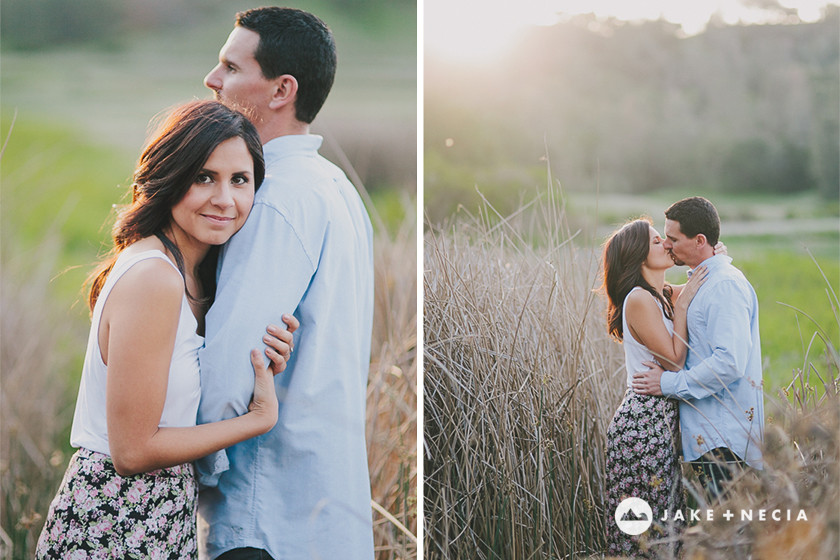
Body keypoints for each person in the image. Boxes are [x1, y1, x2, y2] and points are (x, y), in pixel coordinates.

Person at [35, 100, 298, 559]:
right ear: (170, 176)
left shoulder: (201, 275)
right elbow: (132, 452)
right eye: (204, 177)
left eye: (240, 180)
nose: (225, 199)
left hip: (162, 516)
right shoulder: (155, 277)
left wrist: (260, 361)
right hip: (112, 519)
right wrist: (254, 420)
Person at [196, 7, 375, 560]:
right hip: (326, 512)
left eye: (230, 65)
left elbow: (235, 361)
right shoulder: (334, 187)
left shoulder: (273, 200)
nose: (212, 79)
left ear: (281, 90)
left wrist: (193, 469)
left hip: (265, 516)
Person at [633, 197, 764, 501]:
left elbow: (729, 363)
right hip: (713, 438)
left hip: (725, 439)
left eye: (673, 238)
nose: (667, 245)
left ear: (700, 240)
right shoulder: (705, 281)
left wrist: (667, 384)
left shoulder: (723, 286)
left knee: (734, 534)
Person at [602, 217, 709, 557]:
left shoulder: (661, 294)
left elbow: (699, 284)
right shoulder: (638, 299)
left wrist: (710, 254)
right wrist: (684, 302)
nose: (666, 243)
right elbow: (676, 361)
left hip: (659, 422)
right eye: (655, 240)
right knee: (647, 533)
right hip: (641, 426)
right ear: (637, 255)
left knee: (665, 526)